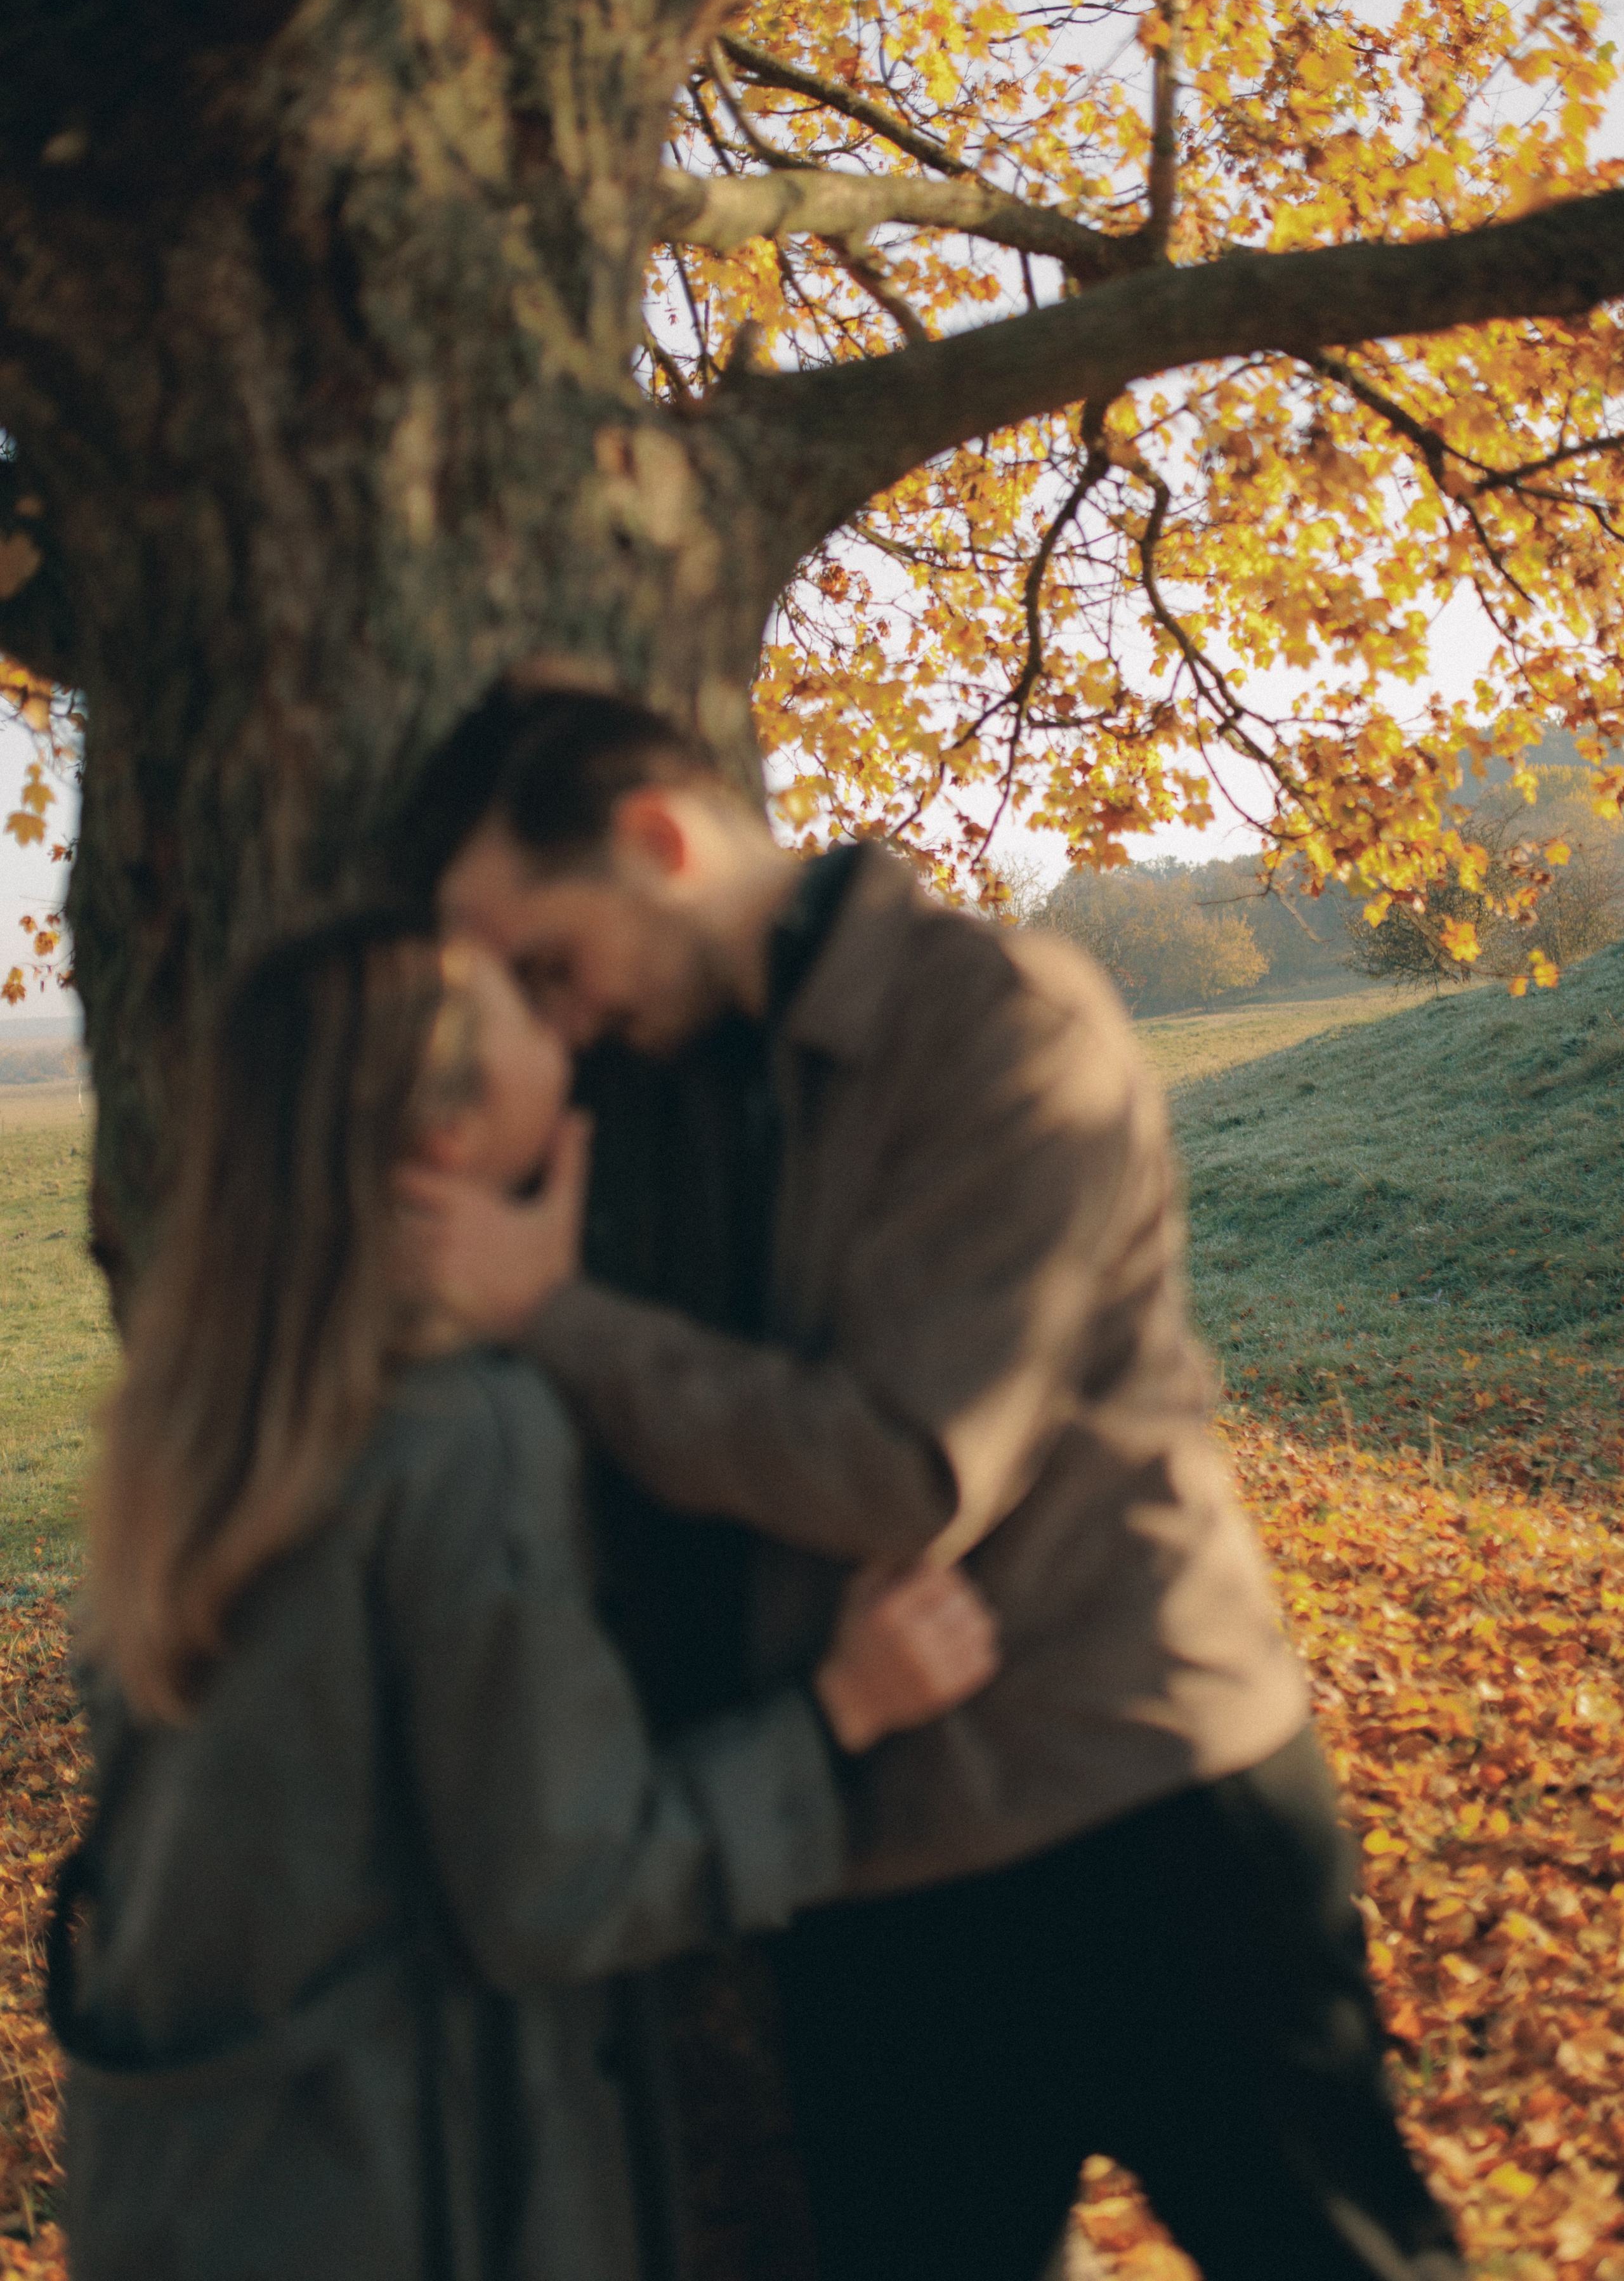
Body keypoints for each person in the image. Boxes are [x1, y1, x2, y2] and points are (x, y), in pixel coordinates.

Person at [398, 685, 1466, 2281]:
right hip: (881, 1869)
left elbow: (902, 1466)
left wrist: (549, 1314)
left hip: (1144, 1804)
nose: (550, 1018)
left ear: (656, 841)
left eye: (548, 963)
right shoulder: (664, 1079)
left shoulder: (997, 1018)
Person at [52, 916, 998, 2281]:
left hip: (186, 2187)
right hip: (399, 2200)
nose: (567, 1028)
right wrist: (837, 1715)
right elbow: (561, 1886)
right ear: (441, 1132)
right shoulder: (461, 1441)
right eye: (521, 1009)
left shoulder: (192, 1432)